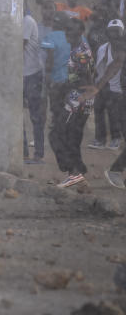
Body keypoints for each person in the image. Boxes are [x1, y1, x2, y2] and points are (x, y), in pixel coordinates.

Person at [50, 17, 94, 188]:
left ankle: (73, 172)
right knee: (71, 137)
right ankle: (78, 171)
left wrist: (64, 87)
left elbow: (87, 79)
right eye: (67, 29)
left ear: (81, 32)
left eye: (72, 29)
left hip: (79, 102)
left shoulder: (81, 53)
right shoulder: (76, 49)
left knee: (57, 135)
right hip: (75, 100)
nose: (68, 32)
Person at [88, 19, 125, 150]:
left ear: (122, 33)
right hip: (103, 85)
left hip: (118, 88)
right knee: (98, 110)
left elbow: (115, 68)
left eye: (117, 32)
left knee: (114, 113)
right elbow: (99, 66)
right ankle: (100, 139)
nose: (114, 35)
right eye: (112, 32)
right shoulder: (103, 48)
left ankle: (116, 139)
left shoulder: (123, 49)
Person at [23, 6, 46, 164]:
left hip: (31, 74)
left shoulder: (27, 21)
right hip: (21, 74)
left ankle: (38, 154)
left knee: (35, 116)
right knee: (19, 116)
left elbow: (18, 45)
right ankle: (24, 152)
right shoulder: (17, 22)